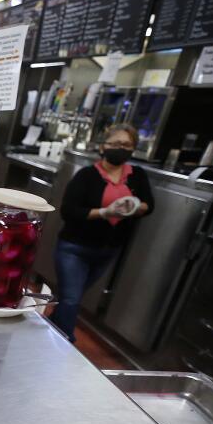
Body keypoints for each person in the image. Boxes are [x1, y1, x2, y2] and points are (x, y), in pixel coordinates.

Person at [52, 124, 154, 343]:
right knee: (71, 299)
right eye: (115, 143)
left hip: (108, 250)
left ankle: (50, 330)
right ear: (102, 147)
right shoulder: (86, 176)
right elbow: (69, 211)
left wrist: (134, 206)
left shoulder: (137, 176)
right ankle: (65, 343)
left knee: (71, 298)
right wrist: (105, 212)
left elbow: (149, 205)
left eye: (127, 145)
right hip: (75, 248)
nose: (121, 148)